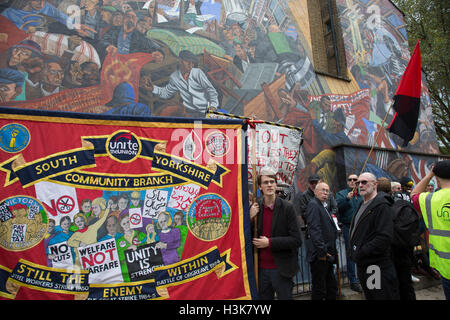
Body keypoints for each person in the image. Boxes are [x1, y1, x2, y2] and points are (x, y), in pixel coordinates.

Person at [249, 171, 302, 300]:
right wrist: (250, 218)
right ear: (260, 187)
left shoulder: (287, 208)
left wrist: (270, 242)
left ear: (276, 185)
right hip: (260, 269)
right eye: (266, 182)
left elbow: (296, 240)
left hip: (281, 269)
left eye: (272, 182)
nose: (269, 185)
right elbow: (247, 237)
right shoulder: (256, 208)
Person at [349, 172, 399, 300]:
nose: (360, 185)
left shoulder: (381, 206)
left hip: (375, 266)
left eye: (364, 182)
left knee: (378, 295)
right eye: (358, 182)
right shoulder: (362, 204)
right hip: (364, 264)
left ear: (375, 184)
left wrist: (361, 251)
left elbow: (384, 237)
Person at [411, 160, 450, 300]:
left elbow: (414, 194)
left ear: (437, 178)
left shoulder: (429, 200)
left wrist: (429, 175)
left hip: (446, 267)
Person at [146, 50, 219, 116]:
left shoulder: (197, 73)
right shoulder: (175, 77)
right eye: (188, 61)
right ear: (180, 61)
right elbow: (166, 93)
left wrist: (213, 107)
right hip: (190, 112)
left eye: (192, 62)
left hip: (207, 110)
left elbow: (211, 91)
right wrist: (153, 88)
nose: (191, 65)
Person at [378, 176, 417, 300]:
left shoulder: (379, 207)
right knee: (406, 286)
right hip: (404, 253)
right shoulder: (401, 205)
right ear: (391, 190)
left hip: (389, 255)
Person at [305, 181, 338, 300]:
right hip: (320, 256)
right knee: (320, 290)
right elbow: (315, 230)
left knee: (331, 288)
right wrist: (322, 251)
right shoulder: (314, 205)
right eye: (322, 190)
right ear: (315, 192)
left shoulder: (322, 205)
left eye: (327, 191)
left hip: (326, 254)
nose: (325, 193)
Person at [335, 173, 363, 292]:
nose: (352, 181)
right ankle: (353, 280)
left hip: (361, 226)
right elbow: (337, 208)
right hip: (348, 226)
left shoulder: (362, 194)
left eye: (355, 180)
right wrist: (347, 199)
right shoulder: (341, 194)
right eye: (350, 180)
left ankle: (364, 277)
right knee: (351, 252)